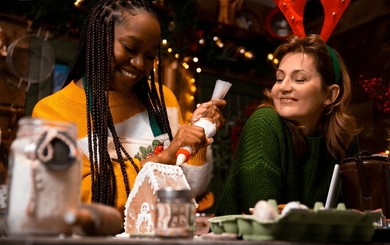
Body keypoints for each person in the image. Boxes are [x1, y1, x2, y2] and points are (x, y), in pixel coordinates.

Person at [32, 0, 226, 214]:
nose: (140, 64)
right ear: (99, 40)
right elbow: (74, 195)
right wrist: (163, 159)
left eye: (150, 56)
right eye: (130, 48)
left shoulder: (162, 100)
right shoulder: (52, 112)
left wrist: (197, 138)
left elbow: (190, 189)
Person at [216, 34, 360, 215]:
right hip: (240, 242)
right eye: (279, 78)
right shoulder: (264, 123)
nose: (283, 87)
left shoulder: (346, 139)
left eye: (299, 79)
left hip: (314, 243)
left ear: (330, 95)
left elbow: (352, 216)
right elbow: (264, 217)